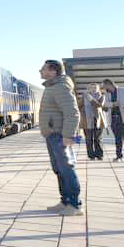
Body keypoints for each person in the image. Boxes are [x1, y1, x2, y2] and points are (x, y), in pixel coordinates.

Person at [39, 60, 83, 216]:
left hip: (60, 135)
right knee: (59, 169)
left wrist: (68, 136)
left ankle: (75, 205)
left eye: (43, 68)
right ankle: (65, 201)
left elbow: (72, 112)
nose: (40, 71)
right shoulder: (53, 86)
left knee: (67, 169)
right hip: (53, 134)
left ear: (53, 71)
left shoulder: (61, 87)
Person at [82, 83, 106, 160]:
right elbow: (78, 105)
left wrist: (90, 98)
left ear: (98, 89)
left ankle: (99, 155)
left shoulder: (102, 96)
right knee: (89, 139)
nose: (93, 89)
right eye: (91, 88)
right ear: (88, 89)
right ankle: (91, 155)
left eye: (95, 87)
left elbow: (99, 105)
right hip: (87, 120)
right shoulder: (84, 96)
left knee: (98, 138)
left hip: (98, 120)